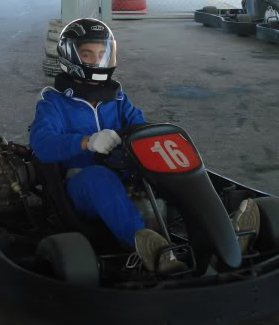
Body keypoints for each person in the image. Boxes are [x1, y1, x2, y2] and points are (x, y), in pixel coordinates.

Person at [29, 18, 260, 274]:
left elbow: (140, 128)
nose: (97, 61)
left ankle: (220, 236)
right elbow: (42, 144)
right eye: (88, 55)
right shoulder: (53, 102)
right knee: (99, 177)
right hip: (81, 183)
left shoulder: (116, 97)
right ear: (71, 57)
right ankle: (155, 251)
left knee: (166, 163)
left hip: (125, 170)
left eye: (102, 54)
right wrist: (87, 141)